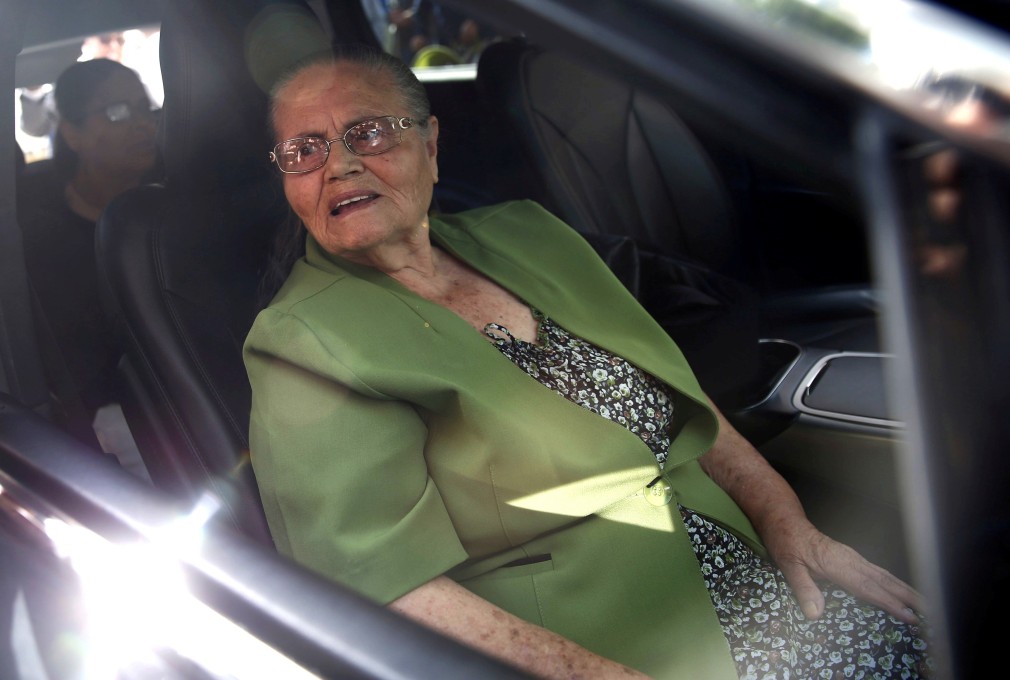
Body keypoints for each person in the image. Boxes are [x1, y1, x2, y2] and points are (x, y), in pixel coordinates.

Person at [244, 45, 933, 679]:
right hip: (600, 648)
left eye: (368, 132)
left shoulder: (529, 232)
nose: (338, 165)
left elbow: (680, 397)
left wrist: (790, 526)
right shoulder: (300, 343)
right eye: (303, 150)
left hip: (754, 583)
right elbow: (380, 584)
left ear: (430, 142)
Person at [19, 58, 158, 469]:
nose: (141, 124)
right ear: (72, 134)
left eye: (144, 108)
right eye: (116, 112)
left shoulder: (180, 207)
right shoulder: (43, 244)